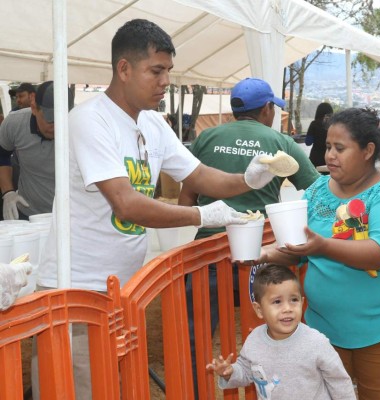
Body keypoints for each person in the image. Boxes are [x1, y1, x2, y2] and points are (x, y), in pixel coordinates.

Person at [33, 19, 282, 400]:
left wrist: (247, 180)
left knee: (116, 384)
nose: (165, 81)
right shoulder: (89, 120)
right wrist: (201, 216)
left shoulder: (152, 123)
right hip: (77, 288)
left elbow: (199, 175)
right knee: (79, 386)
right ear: (124, 69)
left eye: (168, 70)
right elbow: (125, 202)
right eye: (156, 71)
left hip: (122, 287)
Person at [261, 107, 380, 399]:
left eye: (340, 148)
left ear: (367, 150)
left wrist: (323, 246)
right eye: (327, 147)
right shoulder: (316, 191)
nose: (330, 155)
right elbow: (300, 251)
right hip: (321, 329)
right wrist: (265, 254)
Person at [178, 76, 320, 391]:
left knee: (194, 333)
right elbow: (316, 190)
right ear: (267, 108)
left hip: (208, 253)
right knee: (271, 330)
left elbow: (186, 197)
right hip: (260, 254)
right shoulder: (280, 142)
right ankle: (274, 390)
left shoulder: (206, 137)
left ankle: (192, 390)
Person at [206, 265, 356, 399]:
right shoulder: (254, 340)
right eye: (277, 302)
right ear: (259, 310)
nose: (287, 308)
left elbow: (339, 382)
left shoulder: (316, 342)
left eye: (293, 300)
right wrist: (230, 372)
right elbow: (246, 371)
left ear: (302, 303)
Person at [0, 81, 73, 220]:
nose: (57, 126)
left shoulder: (80, 126)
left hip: (69, 216)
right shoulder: (14, 123)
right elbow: (2, 155)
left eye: (63, 120)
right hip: (28, 211)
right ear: (34, 108)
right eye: (50, 120)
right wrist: (8, 192)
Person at [305, 102, 333, 167]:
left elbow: (308, 142)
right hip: (329, 158)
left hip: (315, 159)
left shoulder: (314, 124)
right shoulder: (333, 125)